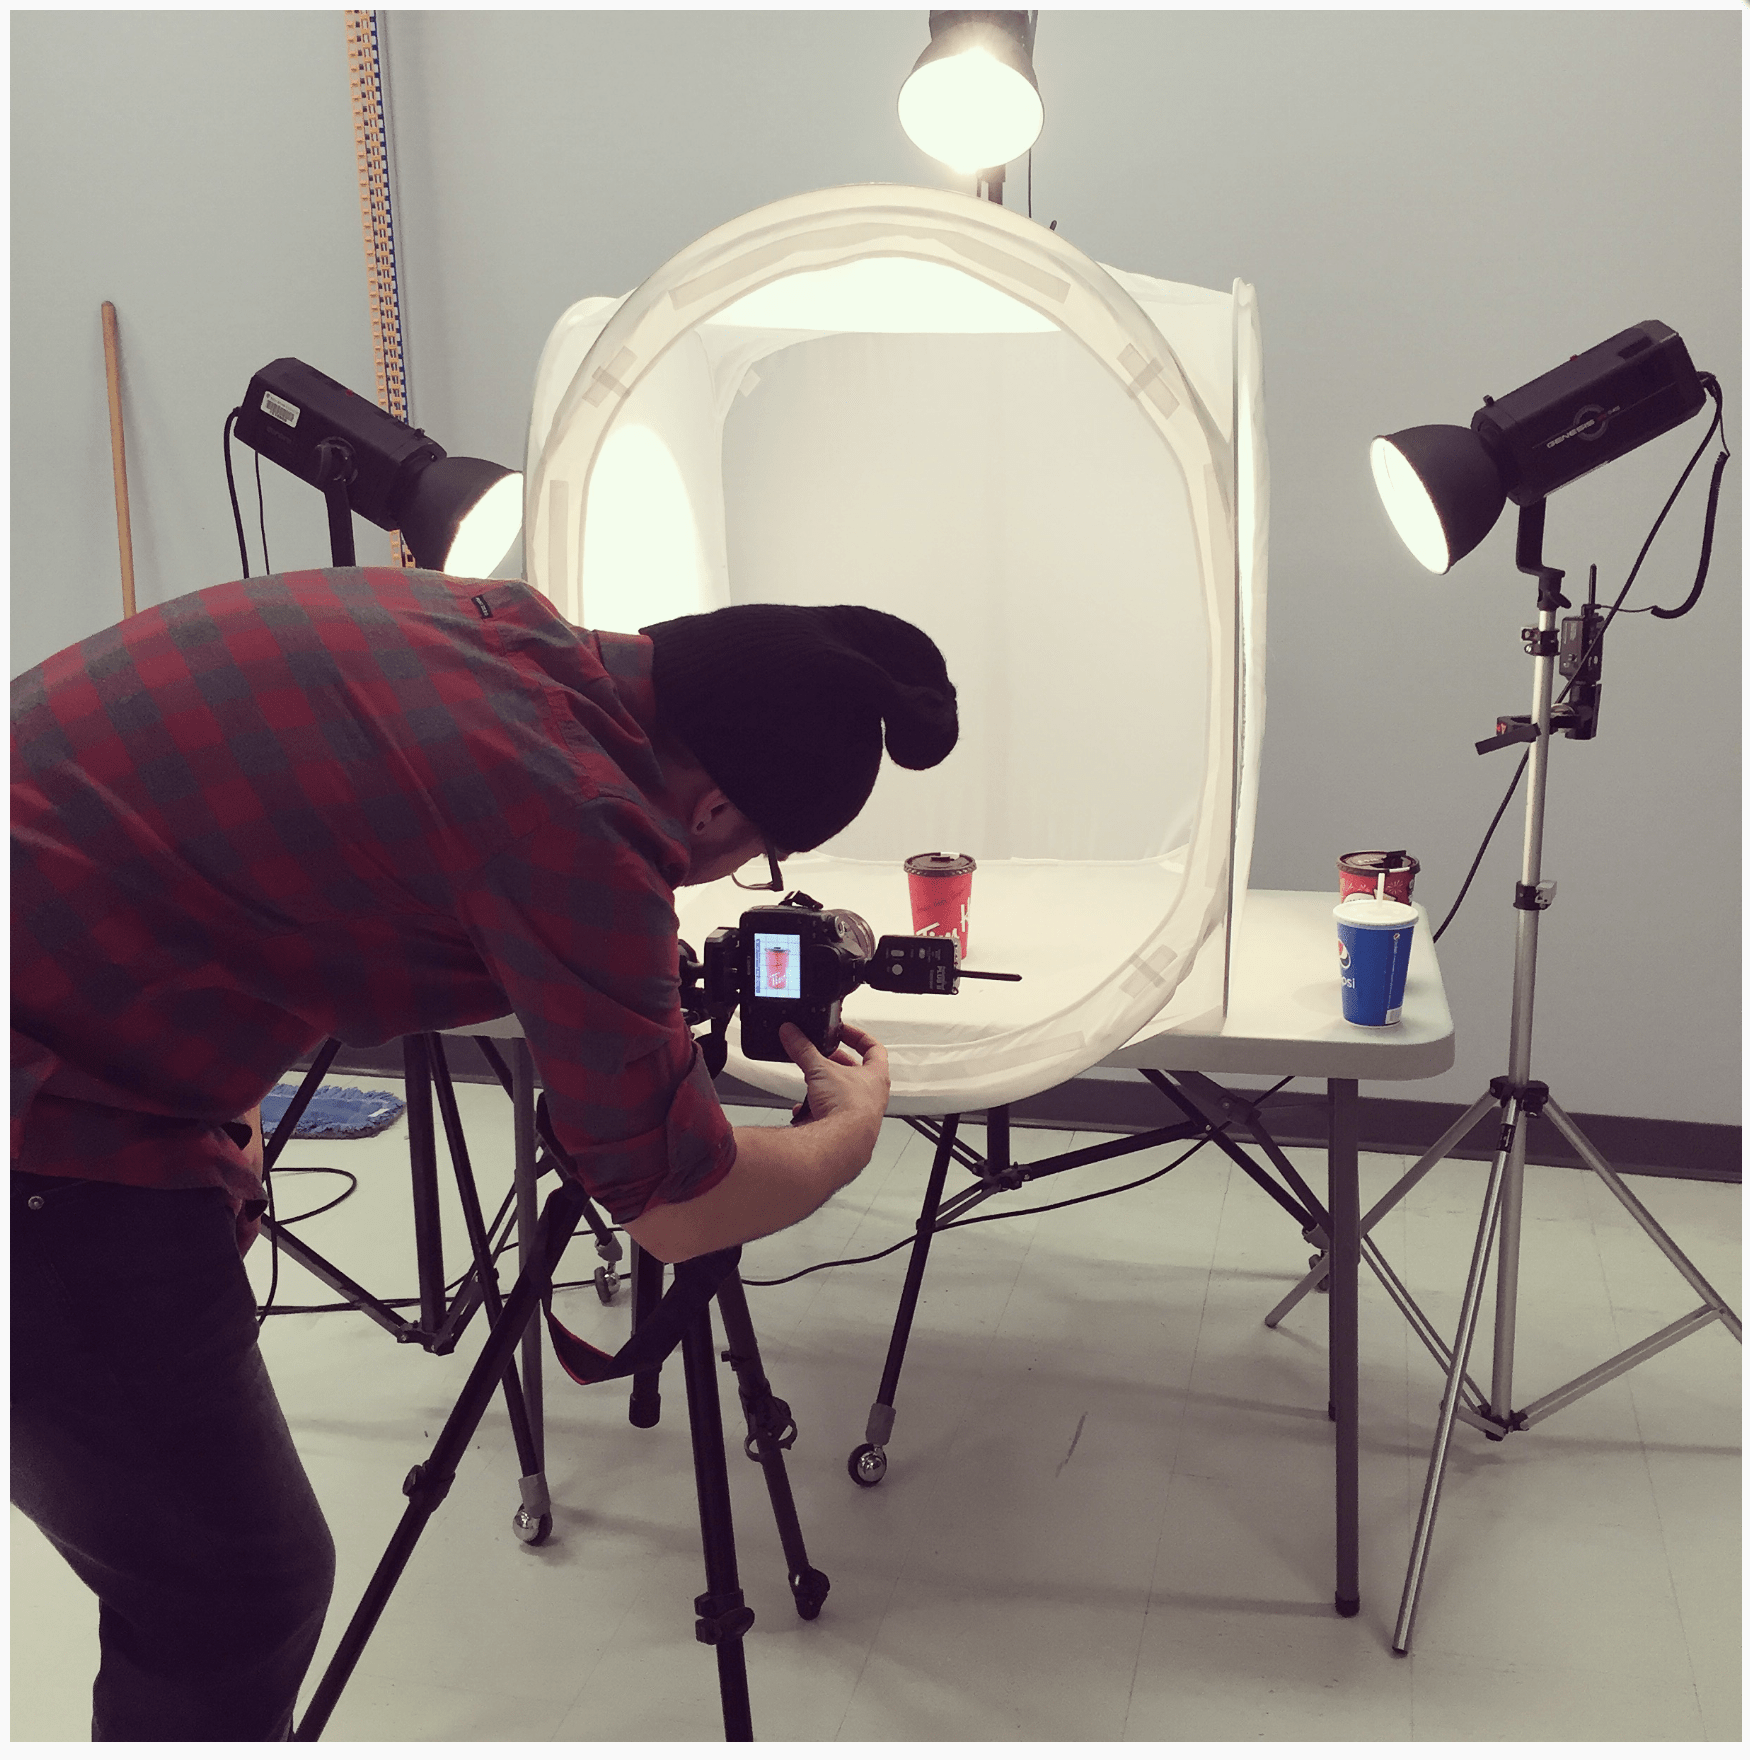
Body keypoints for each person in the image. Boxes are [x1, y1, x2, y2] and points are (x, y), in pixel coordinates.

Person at [11, 565, 959, 1741]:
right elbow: (678, 1207)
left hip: (64, 1013)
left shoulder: (487, 629)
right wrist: (850, 1130)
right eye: (757, 854)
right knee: (233, 1592)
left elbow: (242, 846)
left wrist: (221, 1103)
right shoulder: (573, 817)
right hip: (42, 1132)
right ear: (715, 810)